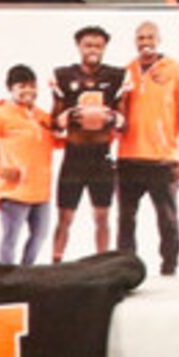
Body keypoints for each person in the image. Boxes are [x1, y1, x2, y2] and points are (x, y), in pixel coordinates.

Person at [47, 24, 125, 259]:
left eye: (98, 45)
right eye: (88, 45)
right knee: (65, 217)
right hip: (74, 155)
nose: (93, 49)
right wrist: (70, 117)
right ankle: (56, 263)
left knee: (102, 216)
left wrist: (110, 118)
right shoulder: (63, 75)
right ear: (79, 46)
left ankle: (102, 263)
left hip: (101, 155)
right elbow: (54, 122)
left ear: (104, 48)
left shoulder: (116, 76)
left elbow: (124, 120)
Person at [115, 20, 179, 276]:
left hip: (162, 159)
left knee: (167, 220)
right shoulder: (126, 72)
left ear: (159, 39)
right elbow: (117, 115)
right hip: (128, 158)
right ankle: (124, 269)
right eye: (141, 38)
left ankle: (169, 268)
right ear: (135, 41)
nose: (145, 42)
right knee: (125, 220)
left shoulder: (176, 71)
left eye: (150, 37)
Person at [0, 63, 58, 264]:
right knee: (10, 239)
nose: (28, 90)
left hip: (41, 191)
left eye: (32, 85)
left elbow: (58, 141)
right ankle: (6, 279)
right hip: (14, 191)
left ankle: (26, 273)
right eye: (21, 86)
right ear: (11, 89)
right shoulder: (0, 116)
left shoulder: (42, 116)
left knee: (40, 236)